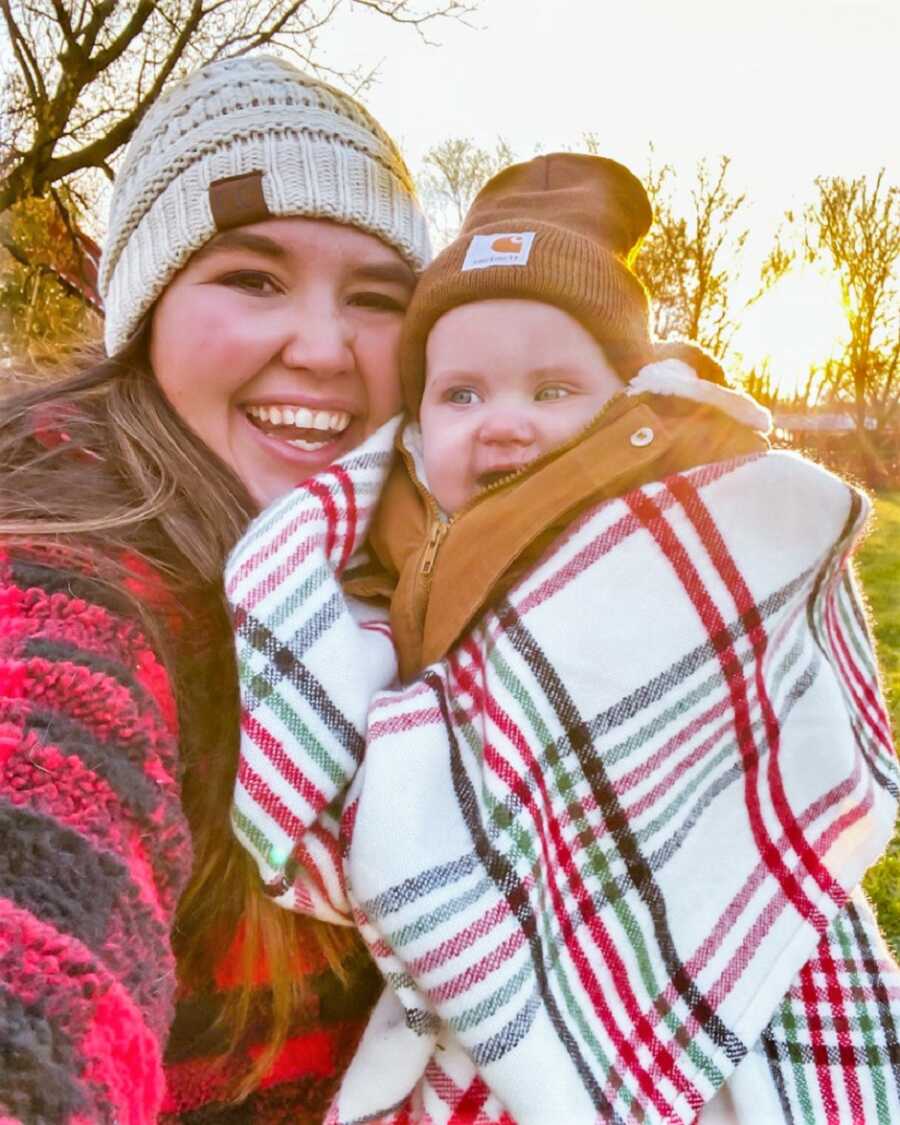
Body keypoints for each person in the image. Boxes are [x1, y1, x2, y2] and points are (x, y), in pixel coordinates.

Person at [228, 154, 900, 1122]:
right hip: (494, 880)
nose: (504, 425)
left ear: (623, 405)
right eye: (462, 394)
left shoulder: (662, 497)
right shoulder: (406, 516)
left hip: (658, 862)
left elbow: (738, 615)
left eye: (552, 392)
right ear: (415, 421)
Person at [0, 54, 431, 1122]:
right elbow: (49, 814)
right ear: (146, 309)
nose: (324, 349)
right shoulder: (69, 547)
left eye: (377, 298)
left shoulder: (416, 559)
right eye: (254, 278)